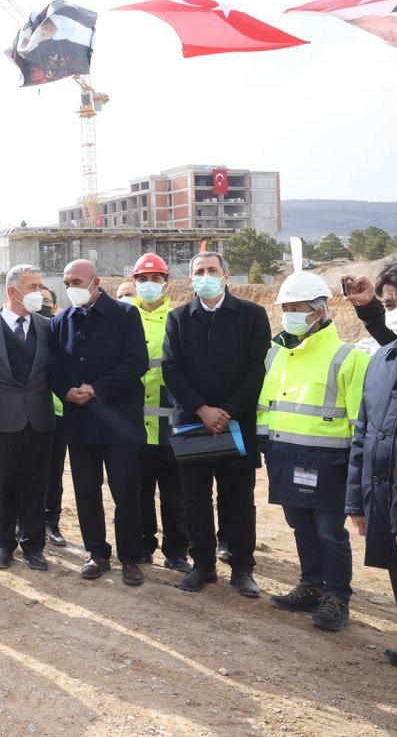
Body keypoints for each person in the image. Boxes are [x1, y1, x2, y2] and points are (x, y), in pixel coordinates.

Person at [259, 272, 367, 631]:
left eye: (297, 308)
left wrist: (356, 468)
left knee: (329, 532)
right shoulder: (276, 353)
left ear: (319, 311)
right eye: (285, 308)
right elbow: (265, 406)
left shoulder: (346, 357)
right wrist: (267, 446)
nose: (289, 314)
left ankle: (337, 597)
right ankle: (311, 585)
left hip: (330, 462)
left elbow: (358, 421)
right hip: (286, 455)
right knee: (300, 526)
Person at [161, 251, 271, 598]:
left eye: (211, 270)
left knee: (238, 499)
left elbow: (257, 369)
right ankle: (203, 565)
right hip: (193, 425)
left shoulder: (252, 315)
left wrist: (227, 413)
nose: (205, 276)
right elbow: (171, 368)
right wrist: (201, 409)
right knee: (194, 498)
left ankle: (242, 568)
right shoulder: (179, 317)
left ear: (226, 275)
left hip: (236, 425)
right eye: (198, 271)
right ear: (190, 278)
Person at [48, 259, 148, 584]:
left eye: (77, 281)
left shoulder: (125, 315)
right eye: (67, 283)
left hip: (119, 422)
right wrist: (66, 391)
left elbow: (136, 362)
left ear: (96, 281)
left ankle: (131, 558)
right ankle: (97, 553)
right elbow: (53, 367)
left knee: (126, 492)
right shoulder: (60, 321)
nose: (71, 288)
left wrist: (96, 389)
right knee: (86, 493)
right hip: (79, 423)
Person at [0, 265, 55, 571]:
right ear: (12, 291)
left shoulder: (47, 327)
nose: (39, 293)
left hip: (39, 420)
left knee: (35, 484)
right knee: (3, 484)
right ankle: (4, 544)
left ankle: (33, 546)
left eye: (40, 285)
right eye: (32, 287)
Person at [346, 260, 397, 665]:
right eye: (389, 303)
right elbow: (364, 434)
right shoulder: (382, 364)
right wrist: (358, 501)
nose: (393, 310)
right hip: (383, 498)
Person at [128, 253, 190, 573]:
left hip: (174, 422)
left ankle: (178, 550)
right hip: (135, 422)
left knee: (176, 492)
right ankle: (142, 543)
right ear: (135, 282)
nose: (149, 285)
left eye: (155, 279)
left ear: (166, 282)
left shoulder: (180, 318)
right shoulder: (124, 317)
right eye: (142, 279)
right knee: (139, 490)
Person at [39, 287, 68, 547]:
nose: (41, 303)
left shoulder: (60, 334)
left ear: (55, 306)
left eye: (46, 300)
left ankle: (52, 522)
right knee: (25, 470)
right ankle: (23, 520)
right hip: (29, 412)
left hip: (58, 412)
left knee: (54, 472)